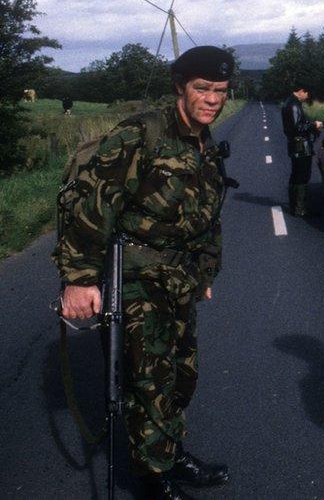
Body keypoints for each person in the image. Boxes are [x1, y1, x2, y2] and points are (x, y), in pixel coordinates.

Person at [54, 45, 236, 500]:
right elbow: (93, 205)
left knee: (181, 375)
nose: (212, 99)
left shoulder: (202, 138)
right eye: (202, 89)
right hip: (133, 276)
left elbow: (207, 212)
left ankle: (169, 453)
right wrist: (79, 280)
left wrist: (206, 270)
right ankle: (152, 477)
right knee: (147, 379)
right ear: (180, 86)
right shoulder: (141, 134)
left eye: (220, 91)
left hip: (179, 278)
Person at [281, 84, 322, 216]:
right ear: (301, 91)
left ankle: (296, 207)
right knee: (302, 176)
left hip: (296, 144)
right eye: (307, 93)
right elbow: (297, 127)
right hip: (300, 145)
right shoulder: (293, 104)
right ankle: (300, 208)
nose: (307, 96)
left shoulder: (290, 102)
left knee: (296, 175)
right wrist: (314, 124)